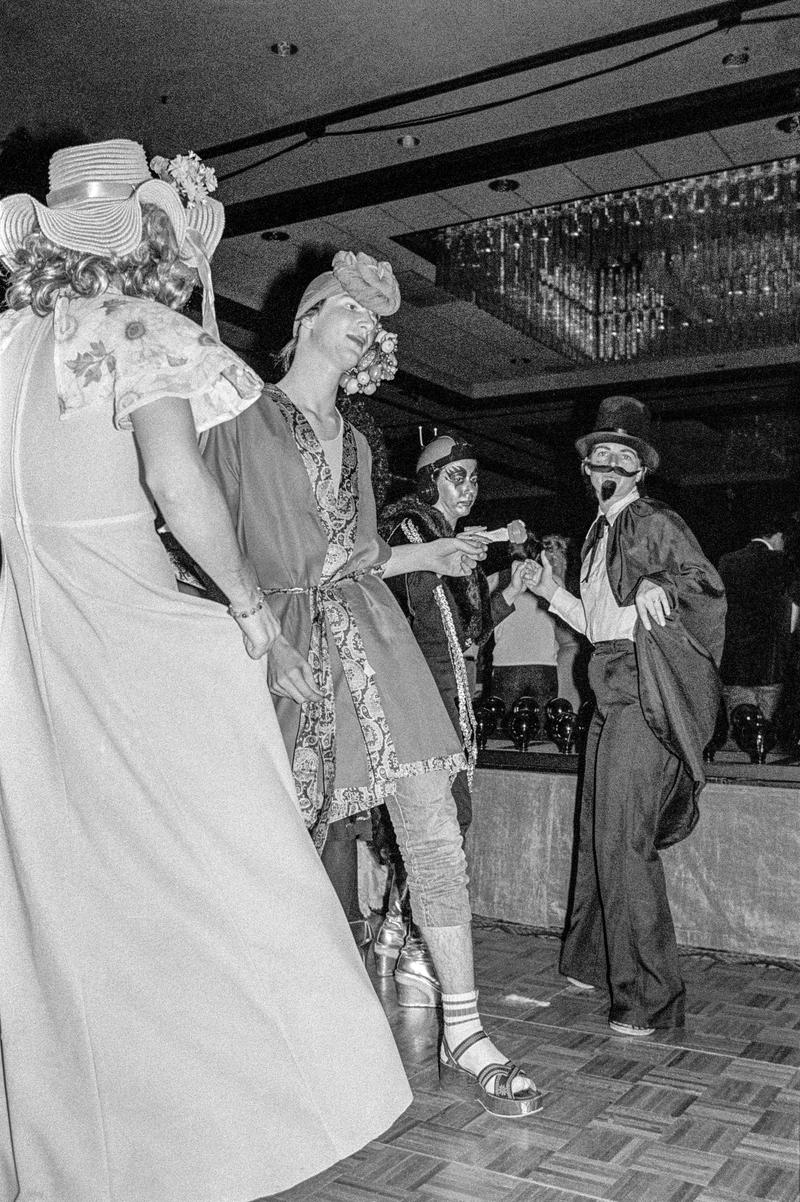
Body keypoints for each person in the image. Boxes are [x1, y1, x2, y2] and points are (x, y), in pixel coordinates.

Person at [0, 138, 412, 1201]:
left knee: (66, 898)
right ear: (147, 242)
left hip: (27, 635)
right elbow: (180, 485)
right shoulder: (135, 328)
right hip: (122, 620)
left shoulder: (5, 345)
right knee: (236, 858)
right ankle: (254, 1106)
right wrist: (246, 613)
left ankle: (81, 1152)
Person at [204, 251, 543, 1117]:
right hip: (276, 637)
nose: (368, 327)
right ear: (308, 319)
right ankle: (256, 1024)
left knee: (431, 818)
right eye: (352, 309)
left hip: (373, 633)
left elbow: (362, 550)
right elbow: (203, 527)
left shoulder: (358, 442)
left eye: (375, 321)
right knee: (276, 838)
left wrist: (430, 552)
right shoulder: (236, 413)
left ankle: (465, 1025)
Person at [527, 395, 725, 1036]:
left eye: (623, 455)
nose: (609, 464)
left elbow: (707, 588)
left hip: (643, 695)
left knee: (625, 845)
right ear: (588, 470)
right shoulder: (598, 534)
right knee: (597, 834)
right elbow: (598, 622)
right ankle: (599, 959)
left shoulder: (651, 520)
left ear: (639, 469)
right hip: (608, 688)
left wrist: (661, 585)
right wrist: (546, 590)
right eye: (600, 455)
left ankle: (651, 998)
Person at [376, 436, 532, 1000]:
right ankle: (415, 943)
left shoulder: (445, 539)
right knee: (440, 820)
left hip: (448, 694)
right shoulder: (411, 530)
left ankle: (399, 926)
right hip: (418, 693)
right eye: (456, 476)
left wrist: (510, 592)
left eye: (472, 476)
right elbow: (422, 623)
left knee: (446, 817)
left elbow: (464, 632)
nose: (468, 487)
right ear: (428, 480)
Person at [718, 516, 790, 727]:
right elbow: (788, 610)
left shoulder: (727, 561)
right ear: (777, 536)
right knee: (764, 728)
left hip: (734, 661)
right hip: (769, 661)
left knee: (740, 725)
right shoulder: (781, 562)